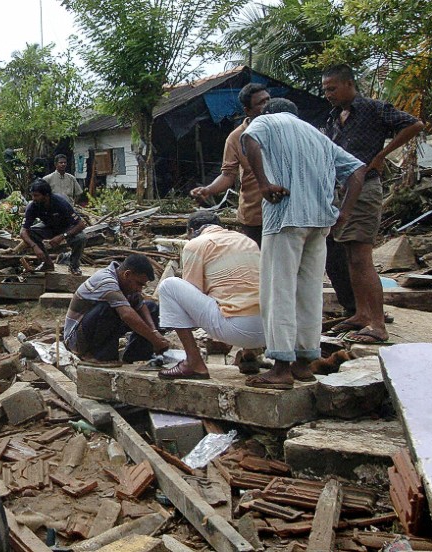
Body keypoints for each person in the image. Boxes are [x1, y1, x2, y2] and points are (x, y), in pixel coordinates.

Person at [241, 98, 367, 389]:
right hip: (319, 221)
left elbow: (249, 138)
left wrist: (262, 184)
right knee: (309, 292)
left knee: (278, 290)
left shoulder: (268, 120)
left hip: (286, 217)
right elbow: (358, 171)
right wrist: (344, 213)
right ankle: (303, 364)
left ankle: (281, 369)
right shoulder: (317, 135)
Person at [321, 64, 424, 343]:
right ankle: (362, 314)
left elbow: (414, 124)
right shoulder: (332, 118)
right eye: (325, 89)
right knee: (350, 256)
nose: (328, 94)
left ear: (349, 85)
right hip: (343, 191)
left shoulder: (373, 108)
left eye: (332, 88)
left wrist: (381, 155)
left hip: (365, 188)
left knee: (362, 257)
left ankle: (377, 324)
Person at [153, 211, 266, 379]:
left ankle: (193, 362)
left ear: (191, 231)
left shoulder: (196, 244)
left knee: (169, 286)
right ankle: (249, 353)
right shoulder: (247, 241)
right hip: (269, 332)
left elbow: (194, 291)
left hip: (236, 329)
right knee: (244, 290)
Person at [190, 83, 271, 245]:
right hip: (255, 215)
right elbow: (228, 175)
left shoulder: (282, 130)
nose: (267, 106)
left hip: (284, 213)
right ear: (247, 110)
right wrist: (208, 189)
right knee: (257, 263)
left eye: (268, 100)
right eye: (261, 103)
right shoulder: (236, 138)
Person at [63, 254, 170, 363]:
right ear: (127, 274)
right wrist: (155, 341)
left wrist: (154, 331)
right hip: (77, 339)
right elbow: (126, 315)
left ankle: (136, 357)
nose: (139, 289)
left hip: (95, 328)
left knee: (151, 307)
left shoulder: (126, 283)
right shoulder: (106, 280)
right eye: (139, 284)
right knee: (109, 309)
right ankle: (99, 356)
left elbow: (141, 305)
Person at [21, 178, 88, 275]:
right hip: (49, 227)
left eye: (36, 195)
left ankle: (74, 266)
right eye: (32, 195)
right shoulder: (32, 206)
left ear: (46, 195)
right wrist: (35, 246)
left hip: (66, 227)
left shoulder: (60, 203)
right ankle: (47, 264)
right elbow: (23, 232)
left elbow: (81, 224)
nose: (33, 198)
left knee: (81, 238)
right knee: (30, 233)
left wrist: (62, 236)